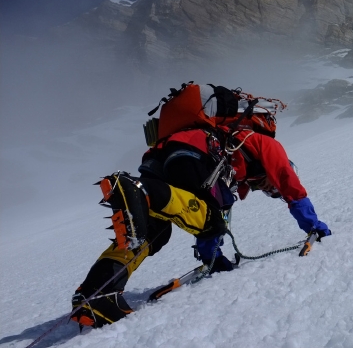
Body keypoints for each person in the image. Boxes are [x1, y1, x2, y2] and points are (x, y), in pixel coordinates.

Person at [70, 106, 330, 329]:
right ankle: (140, 190)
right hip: (193, 153)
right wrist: (314, 226)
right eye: (271, 187)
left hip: (163, 157)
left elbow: (215, 217)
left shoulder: (234, 168)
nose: (268, 189)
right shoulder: (265, 144)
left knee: (154, 233)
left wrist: (213, 258)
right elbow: (290, 186)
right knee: (209, 219)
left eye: (269, 192)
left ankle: (98, 294)